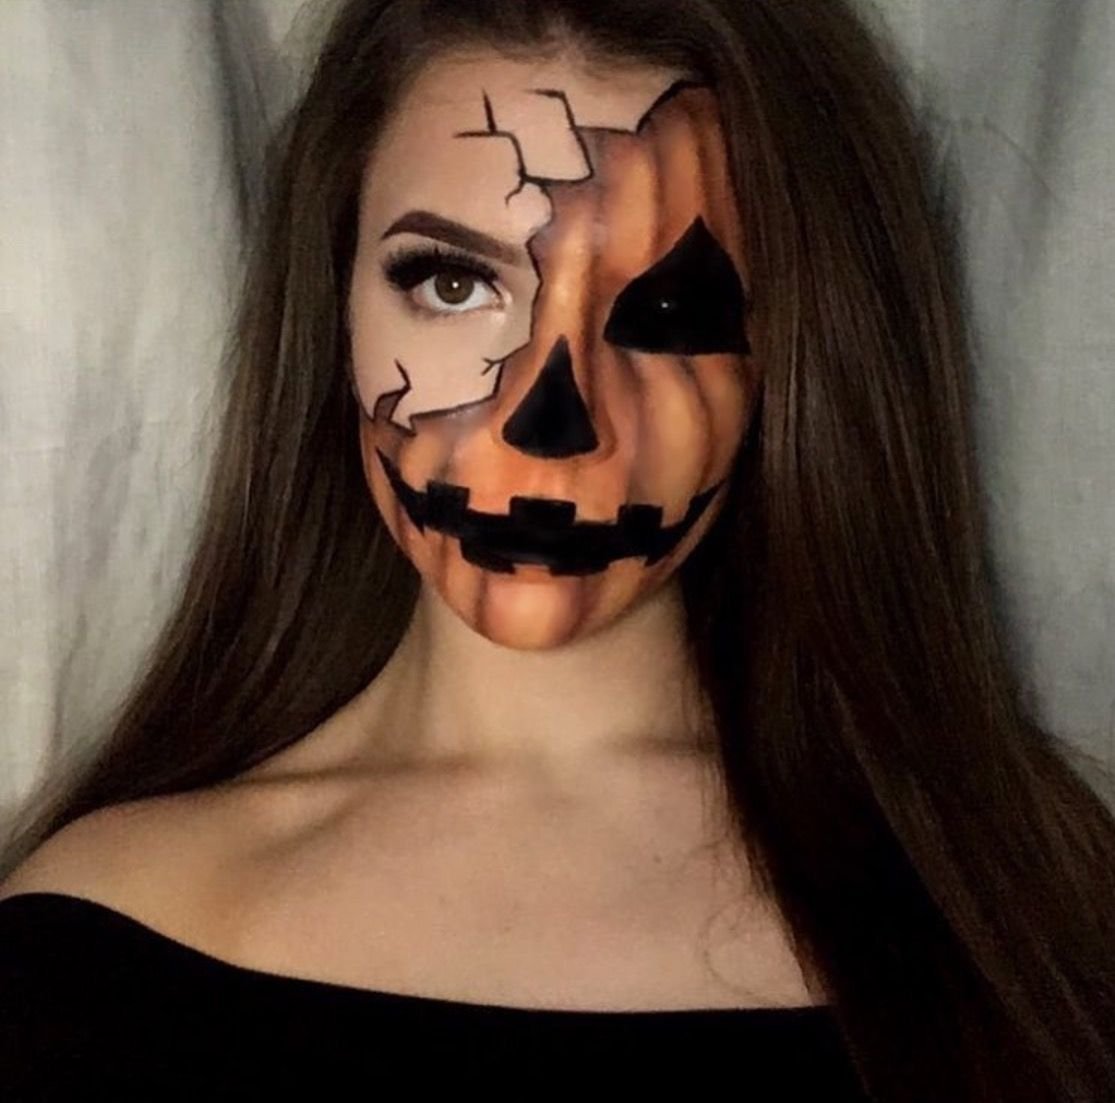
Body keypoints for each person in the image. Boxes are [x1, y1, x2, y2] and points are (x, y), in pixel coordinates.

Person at [1, 0, 1113, 1099]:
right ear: (332, 304)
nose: (550, 419)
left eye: (670, 312)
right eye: (451, 283)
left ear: (795, 358)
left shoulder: (1025, 907)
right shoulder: (88, 945)